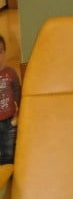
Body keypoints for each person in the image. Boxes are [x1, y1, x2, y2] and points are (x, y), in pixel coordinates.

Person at [0, 35, 20, 165]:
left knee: (10, 156)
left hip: (9, 124)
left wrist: (15, 120)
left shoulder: (11, 73)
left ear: (4, 53)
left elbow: (19, 97)